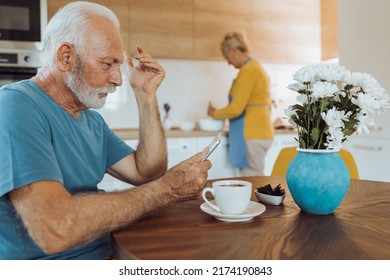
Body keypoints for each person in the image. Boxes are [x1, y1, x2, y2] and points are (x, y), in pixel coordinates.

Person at [0, 2, 211, 260]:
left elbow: (146, 171)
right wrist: (166, 189)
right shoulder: (14, 106)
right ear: (66, 57)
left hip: (111, 251)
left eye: (118, 65)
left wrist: (145, 95)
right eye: (107, 63)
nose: (118, 79)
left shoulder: (90, 120)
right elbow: (55, 228)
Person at [207, 31, 274, 176]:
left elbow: (236, 108)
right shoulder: (256, 67)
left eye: (227, 57)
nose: (228, 62)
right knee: (252, 180)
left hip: (253, 134)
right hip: (260, 132)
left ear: (234, 50)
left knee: (252, 182)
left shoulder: (248, 71)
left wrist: (214, 113)